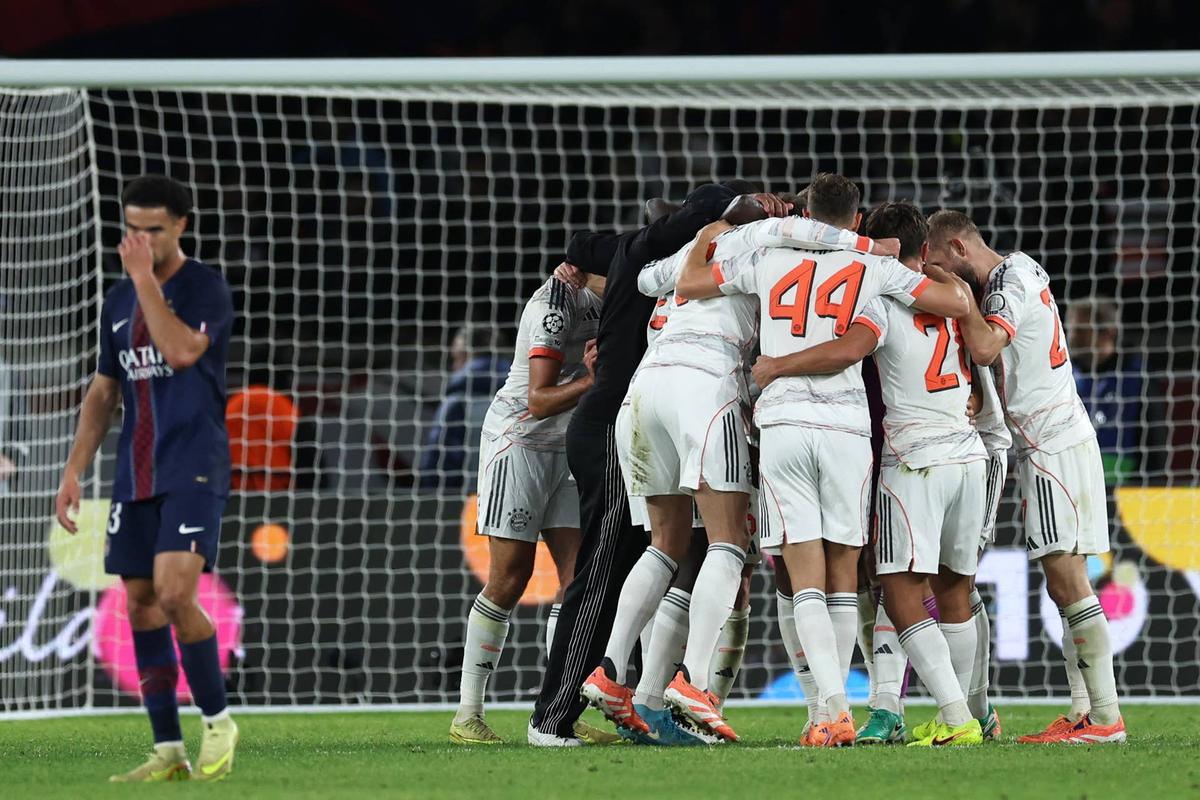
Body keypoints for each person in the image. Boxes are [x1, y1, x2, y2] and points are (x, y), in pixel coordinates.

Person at [676, 174, 970, 747]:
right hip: (849, 432)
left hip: (785, 426)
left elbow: (689, 281)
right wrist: (899, 260)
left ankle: (828, 710)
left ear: (806, 213)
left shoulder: (768, 258)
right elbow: (953, 301)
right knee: (843, 577)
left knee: (802, 574)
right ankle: (840, 712)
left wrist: (710, 232)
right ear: (857, 220)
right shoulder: (871, 264)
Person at [582, 206, 895, 741]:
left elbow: (641, 278)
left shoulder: (692, 256)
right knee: (729, 542)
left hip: (644, 389)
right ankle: (696, 679)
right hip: (706, 384)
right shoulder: (770, 245)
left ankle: (613, 673)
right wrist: (869, 248)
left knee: (666, 543)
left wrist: (702, 240)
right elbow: (800, 233)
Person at [526, 181, 767, 747]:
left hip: (633, 417)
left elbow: (582, 242)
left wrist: (579, 267)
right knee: (602, 575)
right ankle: (554, 715)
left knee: (667, 551)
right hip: (615, 422)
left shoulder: (647, 261)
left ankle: (641, 697)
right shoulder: (668, 258)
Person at [753, 201, 989, 747]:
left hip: (909, 456)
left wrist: (775, 366)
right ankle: (964, 709)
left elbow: (853, 344)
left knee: (891, 587)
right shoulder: (950, 298)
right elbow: (961, 311)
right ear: (925, 251)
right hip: (967, 453)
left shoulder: (876, 291)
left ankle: (941, 714)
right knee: (951, 591)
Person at [54, 175, 239, 781]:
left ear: (181, 225)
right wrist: (74, 470)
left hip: (194, 463)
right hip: (135, 470)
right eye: (132, 228)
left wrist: (142, 281)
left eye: (153, 229)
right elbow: (105, 391)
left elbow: (182, 350)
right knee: (138, 604)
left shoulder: (203, 287)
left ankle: (217, 722)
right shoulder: (116, 300)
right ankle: (168, 749)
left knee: (175, 593)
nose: (141, 240)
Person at [926, 209, 1126, 744]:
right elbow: (1009, 358)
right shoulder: (1024, 267)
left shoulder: (999, 287)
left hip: (1049, 445)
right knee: (1067, 581)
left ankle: (1105, 719)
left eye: (940, 263)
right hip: (1067, 434)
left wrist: (958, 297)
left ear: (960, 250)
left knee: (1067, 580)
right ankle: (1086, 713)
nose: (937, 272)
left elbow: (989, 345)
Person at [449, 268, 607, 745]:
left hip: (568, 448)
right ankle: (467, 712)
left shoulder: (616, 299)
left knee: (576, 578)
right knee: (511, 576)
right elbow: (538, 401)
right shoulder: (554, 307)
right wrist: (592, 382)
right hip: (518, 441)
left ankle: (560, 708)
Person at [1067, 298, 1167, 484]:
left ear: (1108, 333)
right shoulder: (1065, 375)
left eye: (1080, 330)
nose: (1071, 337)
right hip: (1073, 483)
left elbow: (1155, 440)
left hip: (1124, 489)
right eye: (1070, 329)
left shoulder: (1136, 376)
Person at [419, 325, 510, 490]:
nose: (453, 367)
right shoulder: (522, 399)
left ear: (464, 354)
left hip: (466, 504)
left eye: (454, 358)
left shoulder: (456, 404)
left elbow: (439, 463)